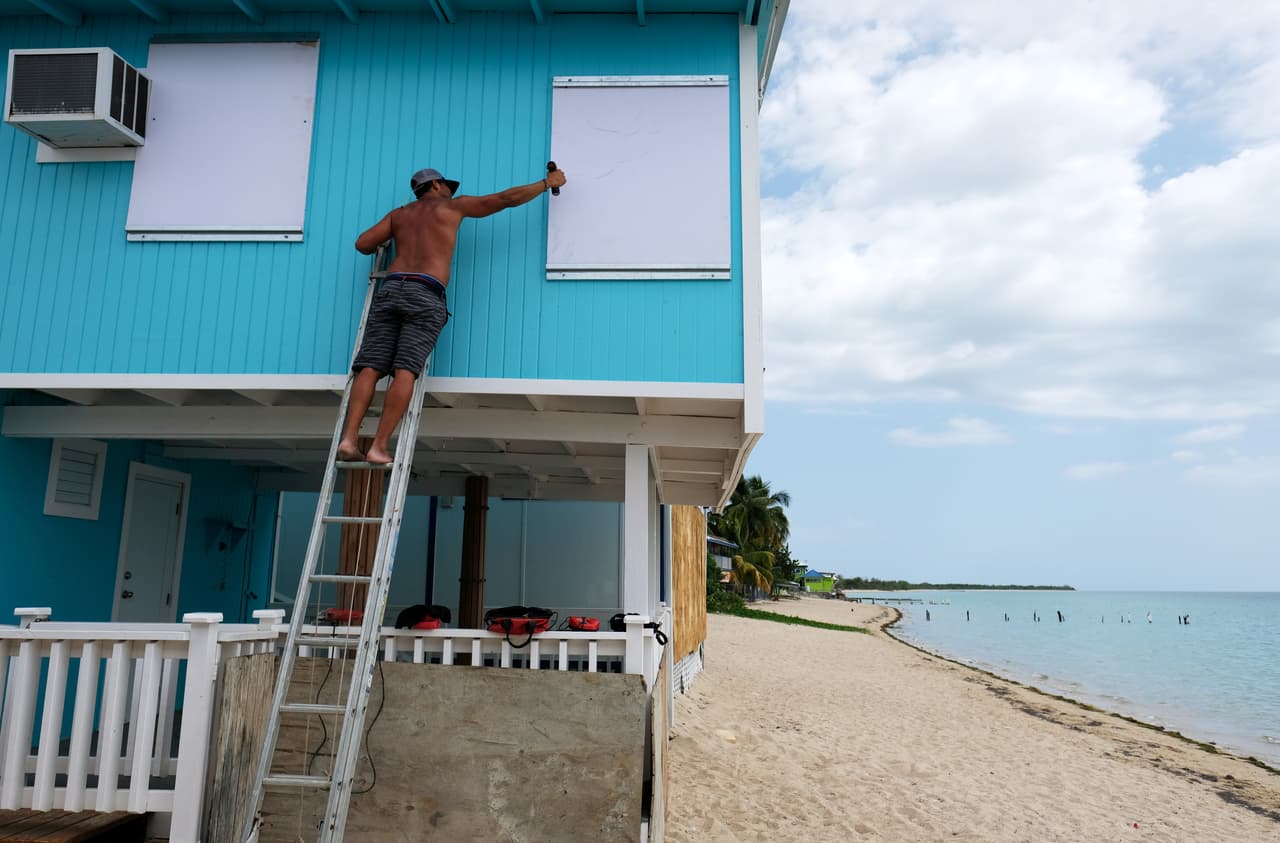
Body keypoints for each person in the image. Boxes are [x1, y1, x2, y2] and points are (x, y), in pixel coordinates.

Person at [337, 165, 568, 464]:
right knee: (405, 370)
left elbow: (363, 244)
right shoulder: (452, 208)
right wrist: (546, 183)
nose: (450, 191)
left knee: (369, 367)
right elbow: (503, 199)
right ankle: (378, 446)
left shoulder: (399, 215)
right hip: (425, 291)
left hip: (392, 288)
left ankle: (348, 439)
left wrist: (400, 238)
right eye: (447, 186)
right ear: (434, 185)